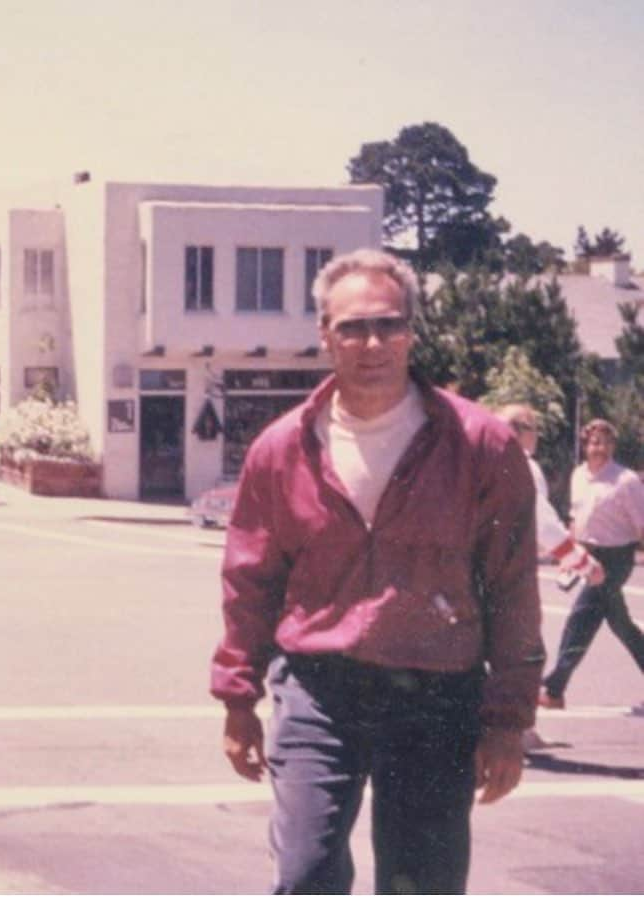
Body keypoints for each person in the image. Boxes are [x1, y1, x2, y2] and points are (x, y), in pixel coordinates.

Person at [210, 249, 544, 895]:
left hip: (435, 691)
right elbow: (248, 581)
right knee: (304, 873)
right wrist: (236, 697)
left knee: (420, 884)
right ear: (323, 334)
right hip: (318, 690)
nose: (372, 342)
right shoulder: (281, 448)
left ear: (412, 332)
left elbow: (510, 589)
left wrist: (506, 719)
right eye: (352, 327)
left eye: (388, 325)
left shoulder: (479, 443)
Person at [495, 404, 604, 751]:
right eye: (533, 428)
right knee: (525, 654)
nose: (537, 436)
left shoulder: (472, 462)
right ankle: (520, 732)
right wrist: (582, 562)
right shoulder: (523, 465)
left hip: (468, 571)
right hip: (509, 573)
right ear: (520, 430)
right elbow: (543, 523)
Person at [539, 418, 644, 709]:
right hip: (587, 554)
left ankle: (554, 688)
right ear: (586, 445)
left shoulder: (626, 481)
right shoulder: (578, 476)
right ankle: (555, 688)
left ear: (613, 446)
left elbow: (642, 526)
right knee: (622, 625)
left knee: (581, 619)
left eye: (607, 442)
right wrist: (569, 556)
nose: (601, 448)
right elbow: (575, 518)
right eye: (595, 442)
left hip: (617, 558)